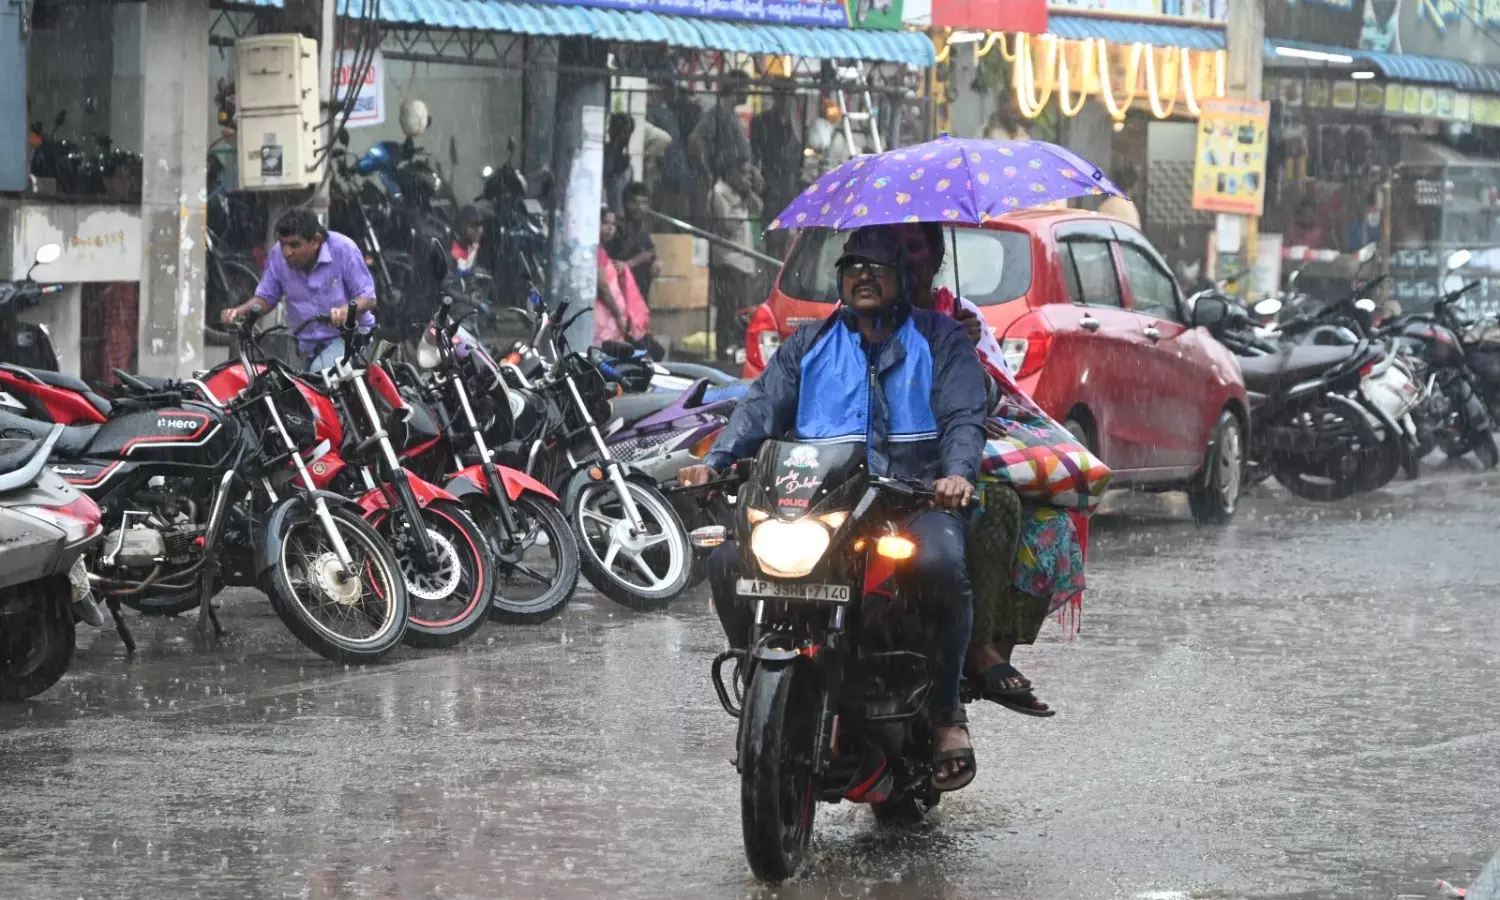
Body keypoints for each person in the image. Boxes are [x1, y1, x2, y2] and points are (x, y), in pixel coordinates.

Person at [679, 226, 987, 792]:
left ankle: (945, 716)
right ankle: (761, 686)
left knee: (939, 564)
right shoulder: (808, 343)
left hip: (910, 497)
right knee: (727, 559)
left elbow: (965, 416)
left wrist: (956, 475)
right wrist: (719, 460)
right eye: (853, 266)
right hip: (822, 502)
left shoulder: (941, 339)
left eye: (878, 265)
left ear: (905, 278)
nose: (864, 275)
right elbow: (760, 407)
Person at [897, 223, 1097, 716]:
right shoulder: (852, 322)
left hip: (951, 457)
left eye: (914, 248)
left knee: (1043, 523)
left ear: (936, 257)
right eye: (888, 250)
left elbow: (993, 400)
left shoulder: (960, 319)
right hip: (878, 464)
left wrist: (963, 354)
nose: (902, 260)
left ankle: (986, 650)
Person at [221, 207, 377, 371]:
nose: (287, 252)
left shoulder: (344, 249)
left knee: (320, 372)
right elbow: (266, 298)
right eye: (283, 244)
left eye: (295, 245)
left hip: (350, 338)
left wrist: (346, 311)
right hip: (304, 345)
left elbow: (368, 298)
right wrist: (240, 312)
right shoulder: (277, 255)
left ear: (316, 241)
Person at [708, 154, 764, 361]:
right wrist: (741, 201)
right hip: (727, 260)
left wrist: (750, 193)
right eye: (743, 174)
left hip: (743, 259)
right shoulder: (719, 193)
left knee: (742, 307)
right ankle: (724, 348)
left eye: (748, 174)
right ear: (731, 173)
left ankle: (738, 346)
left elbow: (759, 209)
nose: (746, 178)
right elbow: (729, 226)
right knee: (728, 308)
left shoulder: (741, 193)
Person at [751, 79, 802, 260]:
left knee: (788, 244)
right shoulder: (762, 122)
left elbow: (798, 159)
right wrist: (755, 174)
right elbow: (753, 155)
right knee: (772, 241)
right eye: (783, 96)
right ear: (775, 97)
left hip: (789, 192)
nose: (786, 101)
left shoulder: (796, 126)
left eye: (789, 96)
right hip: (771, 190)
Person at [689, 71, 754, 207]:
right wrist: (707, 172)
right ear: (737, 89)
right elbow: (695, 139)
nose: (749, 92)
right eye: (746, 88)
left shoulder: (731, 116)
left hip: (735, 186)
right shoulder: (718, 114)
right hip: (723, 185)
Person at [595, 205, 650, 348]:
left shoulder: (603, 250)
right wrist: (618, 314)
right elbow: (602, 286)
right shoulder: (597, 251)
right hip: (604, 321)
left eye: (612, 225)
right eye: (605, 223)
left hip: (606, 321)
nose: (609, 228)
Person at [609, 183, 660, 303]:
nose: (640, 207)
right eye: (635, 202)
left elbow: (650, 251)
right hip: (621, 293)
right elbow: (613, 262)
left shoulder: (643, 227)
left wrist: (657, 260)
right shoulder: (617, 227)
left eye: (644, 203)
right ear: (626, 203)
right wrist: (632, 263)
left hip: (641, 292)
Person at [604, 112, 635, 218]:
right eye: (621, 132)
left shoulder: (627, 163)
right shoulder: (602, 156)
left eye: (628, 133)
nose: (625, 137)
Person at [451, 204, 484, 273]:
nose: (478, 229)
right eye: (473, 224)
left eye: (480, 223)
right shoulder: (453, 254)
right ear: (461, 227)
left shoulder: (483, 251)